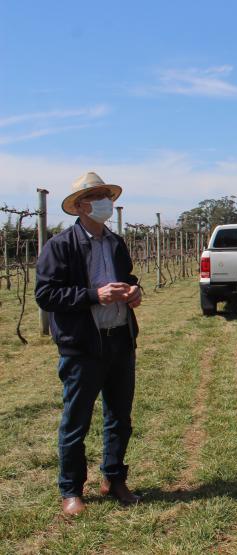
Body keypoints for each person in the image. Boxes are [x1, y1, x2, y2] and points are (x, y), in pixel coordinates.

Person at [35, 172, 143, 516]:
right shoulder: (61, 246)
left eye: (106, 195)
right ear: (80, 206)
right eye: (96, 196)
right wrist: (94, 295)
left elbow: (127, 278)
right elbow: (46, 294)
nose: (104, 203)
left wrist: (133, 292)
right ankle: (71, 490)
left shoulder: (115, 242)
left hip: (119, 340)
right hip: (82, 347)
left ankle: (114, 478)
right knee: (76, 420)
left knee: (119, 417)